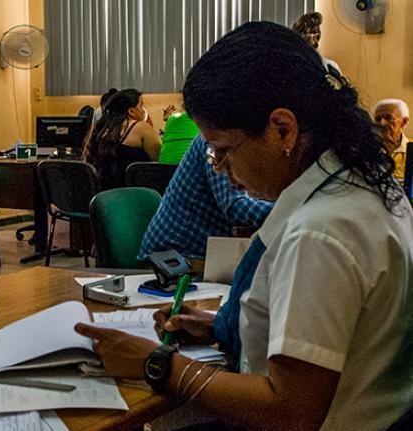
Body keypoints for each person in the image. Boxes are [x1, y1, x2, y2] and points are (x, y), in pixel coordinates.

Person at [75, 22, 413, 430]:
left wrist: (157, 362)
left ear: (282, 129)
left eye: (222, 151)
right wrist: (224, 325)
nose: (220, 167)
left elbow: (289, 411)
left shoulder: (319, 231)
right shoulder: (365, 187)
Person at [138, 135, 272, 261]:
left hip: (205, 253)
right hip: (173, 258)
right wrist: (288, 208)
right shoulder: (214, 140)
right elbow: (235, 206)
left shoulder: (239, 140)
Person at [83, 88, 161, 190]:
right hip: (136, 196)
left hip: (105, 196)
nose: (143, 111)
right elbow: (159, 162)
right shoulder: (141, 128)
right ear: (131, 111)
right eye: (141, 106)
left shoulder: (102, 130)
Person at [374, 98, 410, 182]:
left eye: (389, 118)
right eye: (378, 119)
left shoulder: (411, 149)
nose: (382, 123)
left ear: (404, 122)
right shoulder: (367, 150)